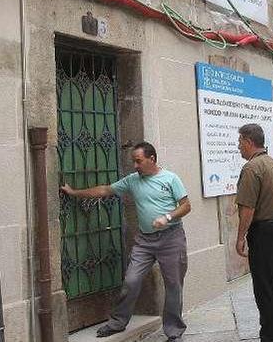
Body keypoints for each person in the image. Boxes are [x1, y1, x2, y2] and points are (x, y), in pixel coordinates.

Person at [61, 142, 192, 340]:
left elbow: (186, 206)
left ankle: (174, 332)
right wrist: (74, 193)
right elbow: (105, 190)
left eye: (138, 161)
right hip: (145, 241)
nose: (135, 165)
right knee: (131, 280)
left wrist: (167, 217)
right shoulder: (132, 181)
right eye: (133, 161)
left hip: (171, 238)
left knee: (173, 285)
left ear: (152, 159)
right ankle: (118, 322)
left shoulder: (170, 178)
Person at [235, 124, 273, 342]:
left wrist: (241, 237)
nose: (238, 146)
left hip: (264, 232)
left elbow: (248, 208)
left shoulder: (251, 168)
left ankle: (271, 336)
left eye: (240, 141)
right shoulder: (272, 163)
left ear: (249, 142)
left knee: (265, 288)